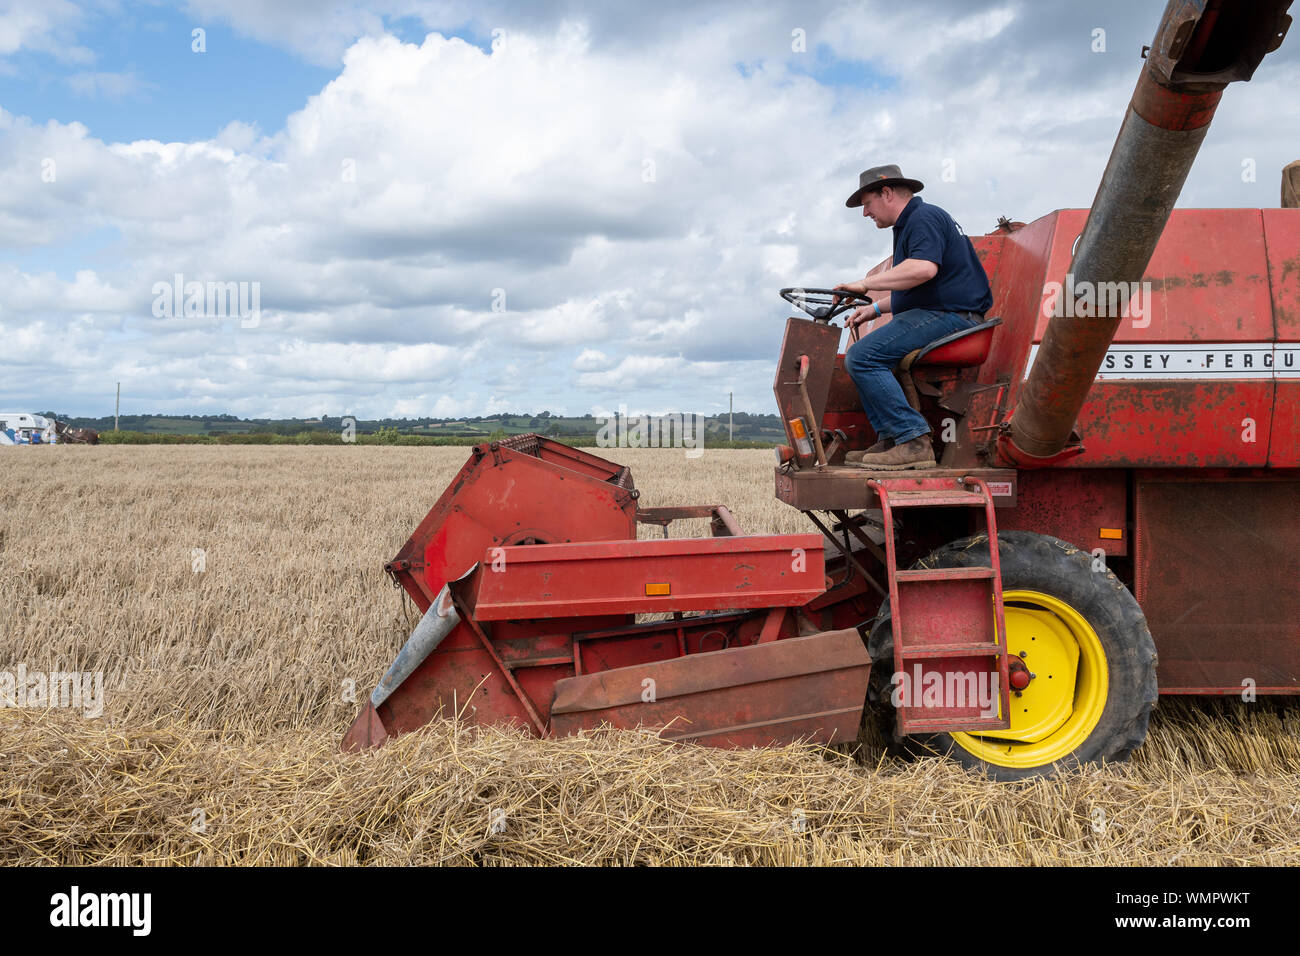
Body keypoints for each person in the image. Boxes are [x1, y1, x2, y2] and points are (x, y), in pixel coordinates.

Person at [833, 164, 992, 469]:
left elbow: (923, 270)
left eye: (867, 204)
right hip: (939, 311)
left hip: (955, 318)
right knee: (868, 355)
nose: (865, 213)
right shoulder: (911, 224)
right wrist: (874, 309)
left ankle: (912, 441)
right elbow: (924, 288)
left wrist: (864, 284)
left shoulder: (924, 217)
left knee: (863, 357)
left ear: (887, 193)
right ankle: (892, 439)